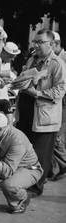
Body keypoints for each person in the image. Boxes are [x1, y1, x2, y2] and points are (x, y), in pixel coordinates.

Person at [16, 29, 66, 196]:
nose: (35, 45)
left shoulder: (57, 63)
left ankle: (36, 187)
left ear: (51, 44)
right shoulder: (32, 59)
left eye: (40, 42)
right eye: (35, 42)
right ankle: (24, 181)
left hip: (43, 116)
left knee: (40, 154)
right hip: (26, 112)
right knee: (26, 151)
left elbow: (60, 90)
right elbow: (24, 78)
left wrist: (37, 94)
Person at [50, 32, 66, 181]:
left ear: (55, 44)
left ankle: (63, 164)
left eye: (50, 45)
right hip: (57, 103)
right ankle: (55, 167)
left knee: (56, 137)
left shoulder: (63, 59)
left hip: (63, 103)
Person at [0, 41, 21, 122]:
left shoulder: (7, 62)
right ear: (4, 53)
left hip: (4, 96)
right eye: (11, 56)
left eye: (14, 57)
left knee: (10, 121)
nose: (13, 59)